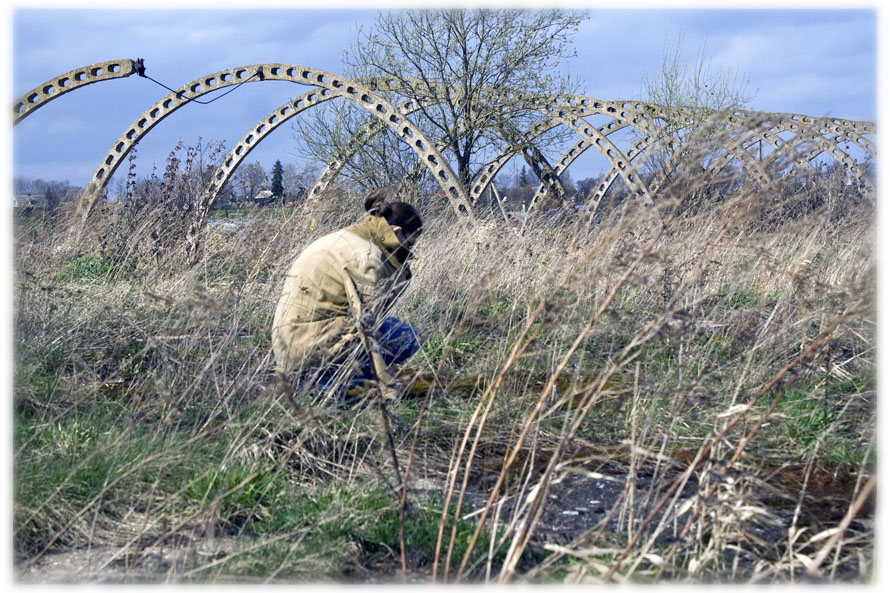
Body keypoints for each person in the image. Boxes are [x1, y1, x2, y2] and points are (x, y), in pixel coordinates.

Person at [271, 188, 423, 402]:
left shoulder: (353, 237)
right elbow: (366, 326)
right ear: (397, 231)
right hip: (312, 347)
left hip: (294, 343)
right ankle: (331, 384)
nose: (409, 251)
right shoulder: (368, 258)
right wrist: (388, 387)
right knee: (409, 338)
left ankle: (321, 380)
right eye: (410, 244)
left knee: (394, 330)